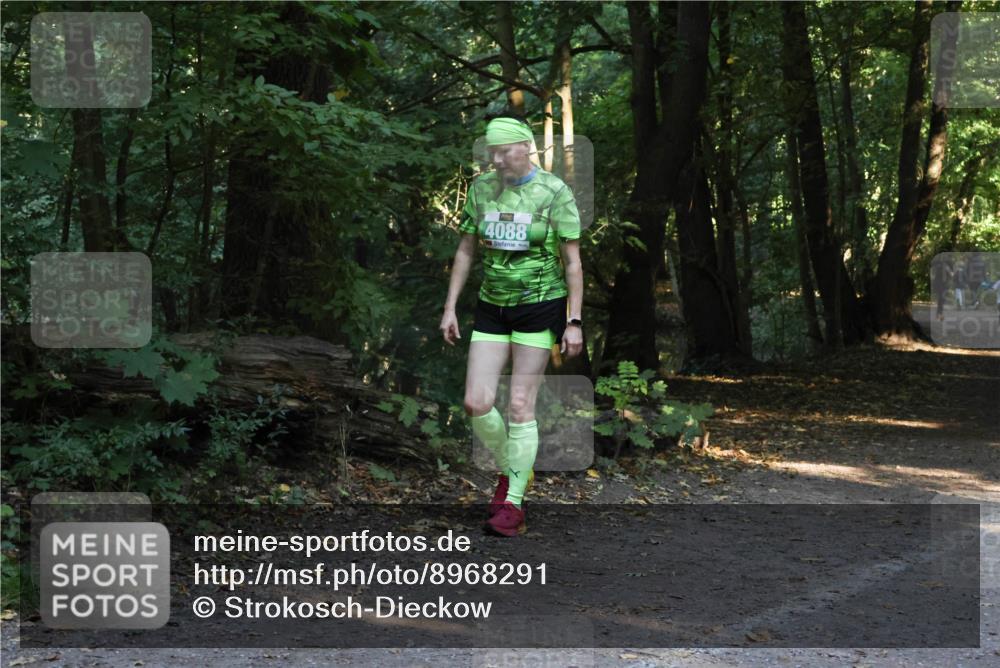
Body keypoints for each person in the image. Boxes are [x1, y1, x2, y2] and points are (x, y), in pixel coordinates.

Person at [439, 114, 584, 537]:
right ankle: (514, 468)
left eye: (503, 151)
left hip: (540, 306)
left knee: (521, 405)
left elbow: (573, 262)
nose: (497, 160)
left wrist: (574, 321)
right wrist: (450, 307)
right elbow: (466, 250)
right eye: (492, 152)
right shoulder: (482, 189)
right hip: (492, 306)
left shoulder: (554, 191)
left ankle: (512, 502)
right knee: (476, 403)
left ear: (525, 147)